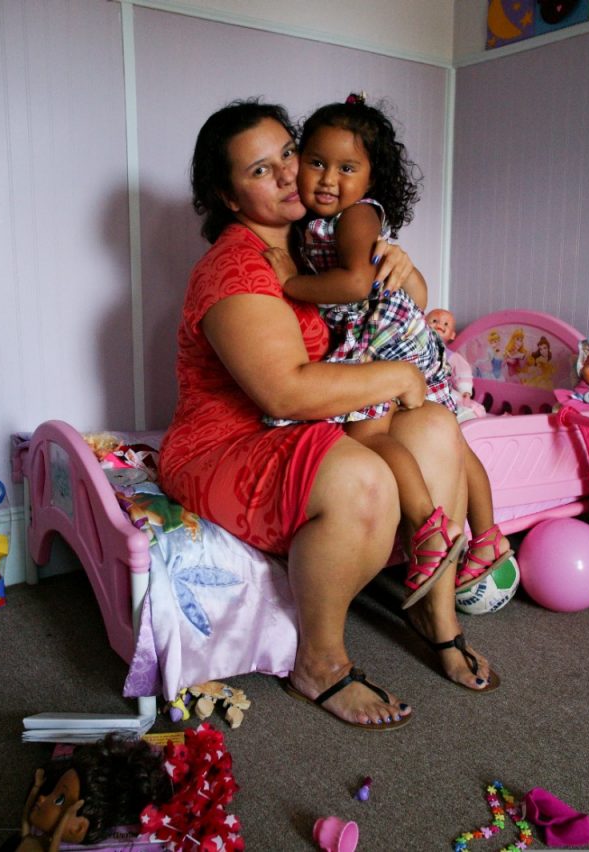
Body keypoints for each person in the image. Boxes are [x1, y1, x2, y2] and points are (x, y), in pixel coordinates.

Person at [159, 100, 495, 732]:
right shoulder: (235, 268)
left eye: (288, 152)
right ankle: (319, 661)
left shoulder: (313, 241)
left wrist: (405, 272)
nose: (290, 174)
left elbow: (387, 303)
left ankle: (436, 614)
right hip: (229, 441)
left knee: (437, 428)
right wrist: (401, 375)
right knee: (360, 478)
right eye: (261, 170)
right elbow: (283, 394)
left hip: (306, 423)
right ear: (229, 197)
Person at [262, 95, 515, 617]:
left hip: (383, 336)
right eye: (316, 162)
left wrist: (290, 281)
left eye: (347, 167)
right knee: (450, 440)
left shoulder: (357, 216)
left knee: (369, 437)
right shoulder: (315, 219)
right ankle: (487, 537)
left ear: (371, 179)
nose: (329, 178)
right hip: (383, 332)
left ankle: (430, 530)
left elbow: (356, 284)